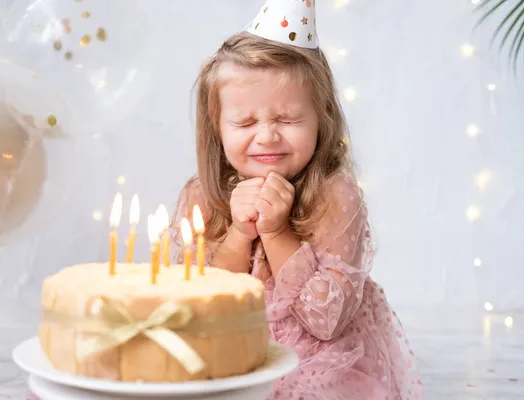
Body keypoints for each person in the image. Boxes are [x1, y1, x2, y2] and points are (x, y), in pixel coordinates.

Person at [171, 1, 422, 399]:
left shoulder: (334, 194)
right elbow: (196, 309)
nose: (268, 136)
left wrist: (276, 231)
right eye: (246, 122)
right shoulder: (201, 196)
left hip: (315, 357)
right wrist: (239, 233)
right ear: (216, 126)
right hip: (224, 350)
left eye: (287, 119)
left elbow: (326, 322)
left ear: (321, 117)